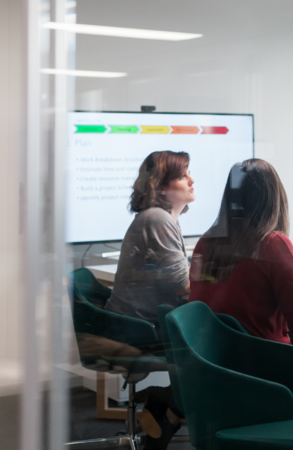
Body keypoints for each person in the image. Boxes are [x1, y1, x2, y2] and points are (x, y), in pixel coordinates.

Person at [190, 159, 293, 396]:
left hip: (215, 365)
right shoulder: (272, 244)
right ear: (274, 198)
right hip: (265, 372)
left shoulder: (206, 242)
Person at [103, 150, 194, 450]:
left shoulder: (162, 219)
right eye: (183, 176)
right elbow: (185, 287)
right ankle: (171, 405)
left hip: (139, 326)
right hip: (137, 333)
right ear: (162, 187)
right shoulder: (157, 219)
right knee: (221, 339)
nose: (191, 180)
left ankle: (168, 410)